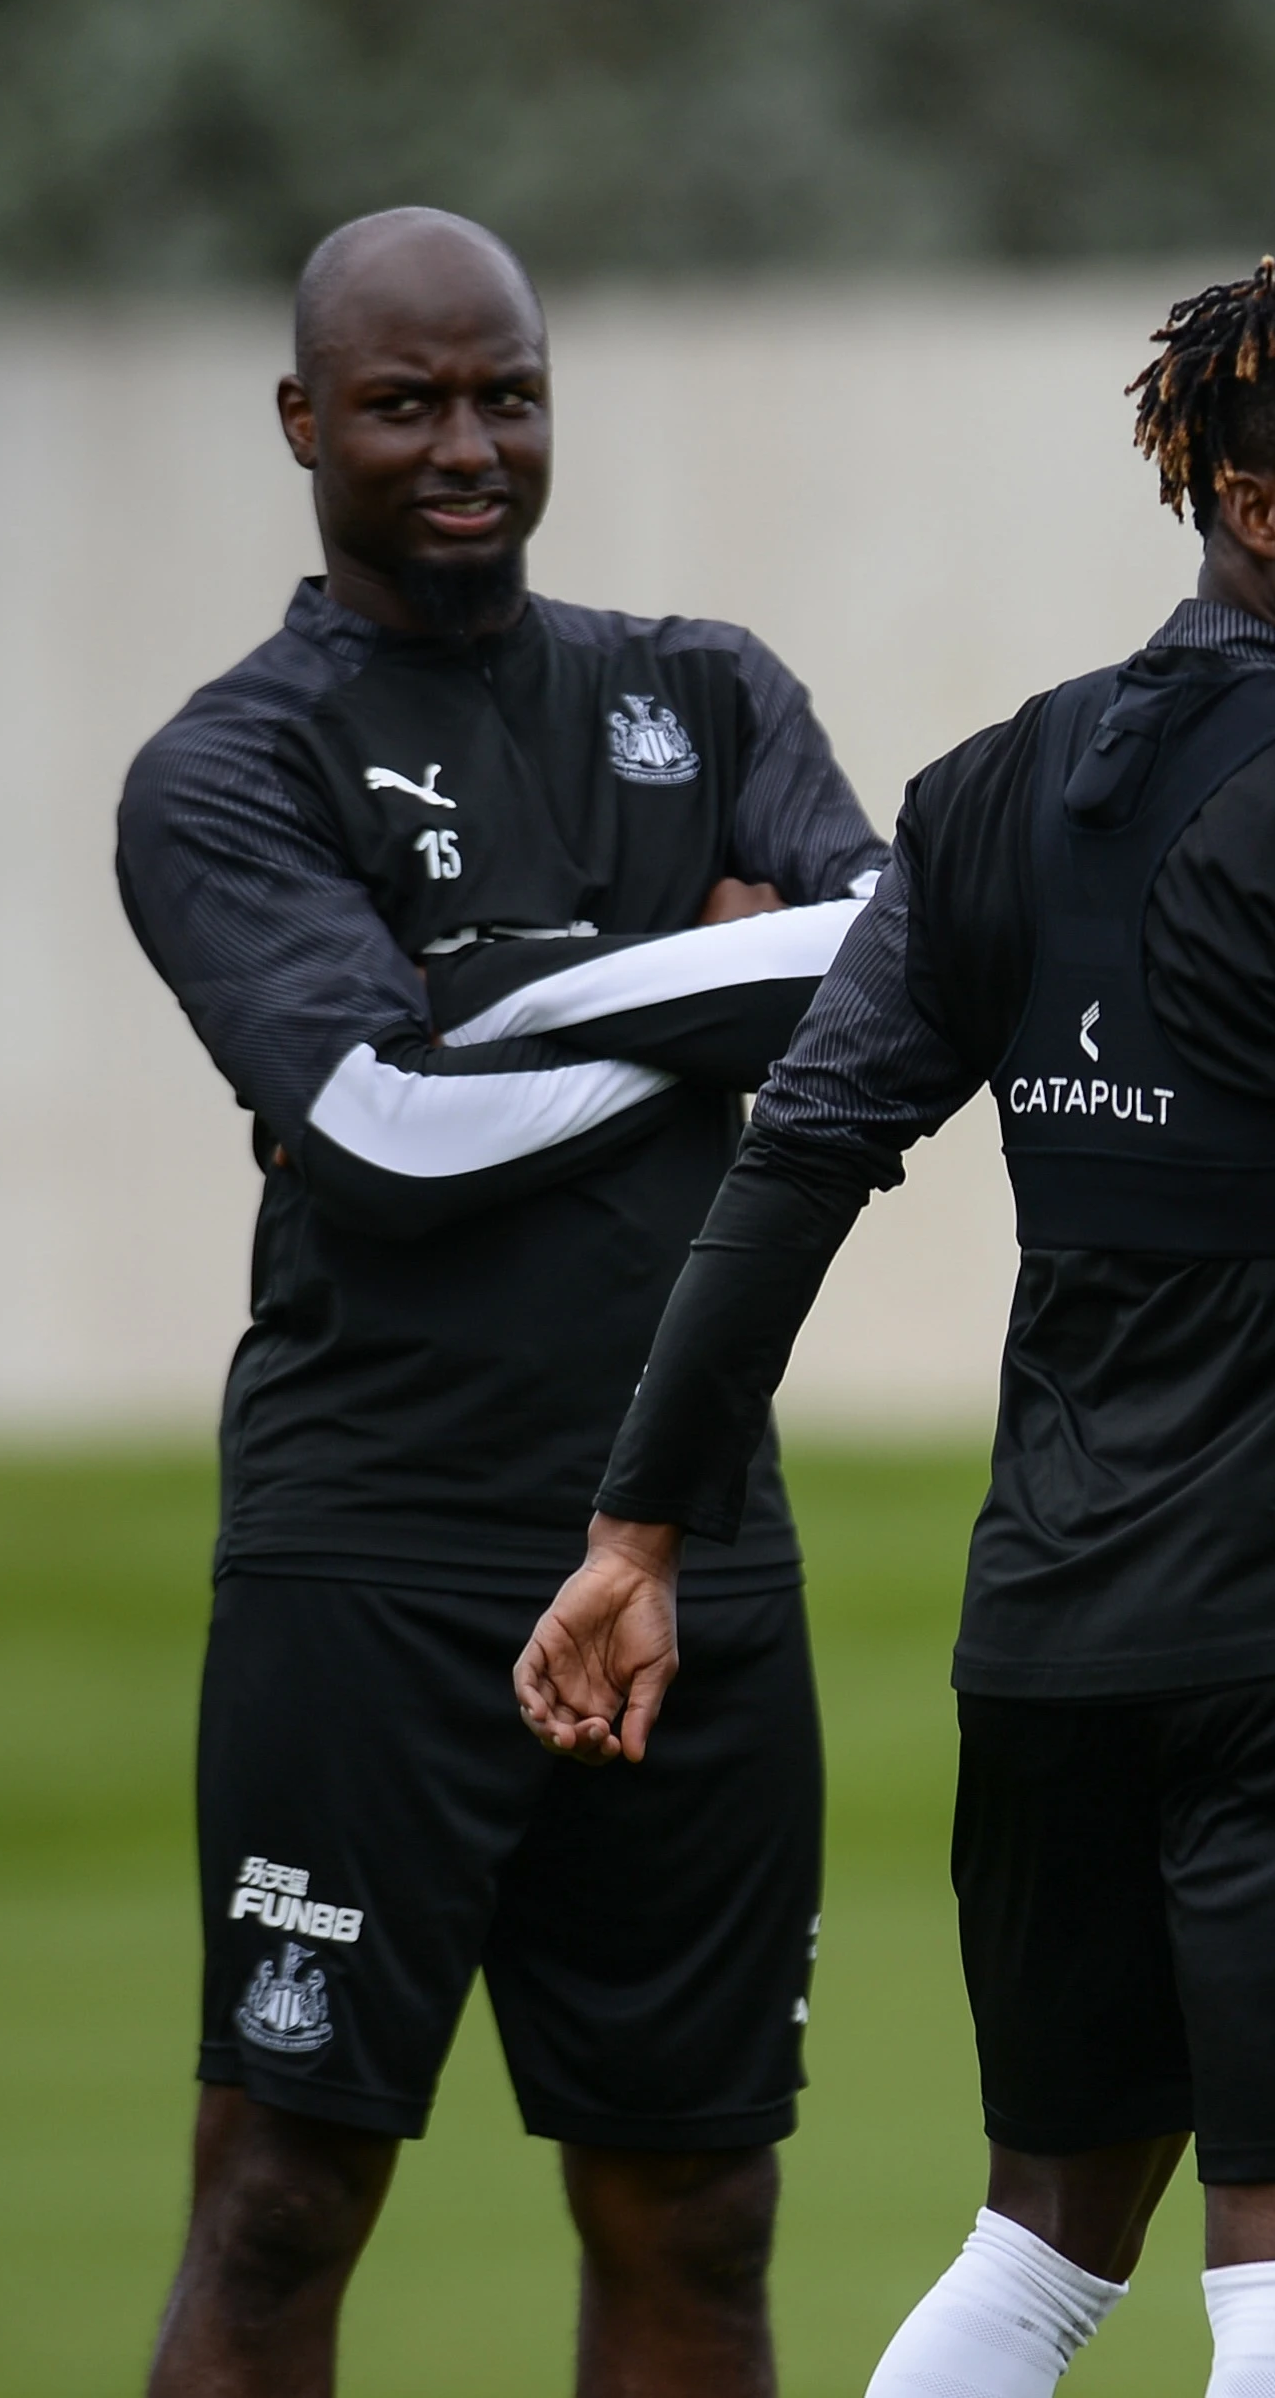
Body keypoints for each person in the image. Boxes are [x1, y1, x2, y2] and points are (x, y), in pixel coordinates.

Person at [512, 212, 1275, 2398]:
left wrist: (638, 1529)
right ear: (1249, 510)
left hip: (1058, 1643)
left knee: (1040, 2245)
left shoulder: (987, 795)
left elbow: (796, 1159)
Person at [111, 208, 883, 2398]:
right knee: (279, 2193)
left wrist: (508, 1006)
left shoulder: (705, 685)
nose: (469, 442)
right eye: (409, 401)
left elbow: (894, 973)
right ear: (303, 423)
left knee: (703, 2213)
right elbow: (384, 1137)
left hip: (693, 1536)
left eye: (507, 395)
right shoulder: (229, 768)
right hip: (383, 1546)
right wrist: (705, 983)